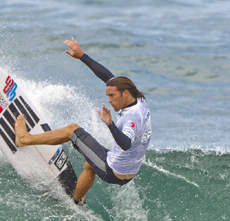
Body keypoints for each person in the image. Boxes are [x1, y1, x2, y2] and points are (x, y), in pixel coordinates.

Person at [15, 38, 152, 204]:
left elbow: (126, 144)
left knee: (71, 130)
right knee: (90, 161)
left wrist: (110, 124)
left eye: (112, 96)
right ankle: (77, 199)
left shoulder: (131, 118)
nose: (109, 100)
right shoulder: (138, 99)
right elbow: (107, 76)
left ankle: (24, 139)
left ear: (124, 94)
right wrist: (82, 56)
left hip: (113, 170)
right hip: (128, 172)